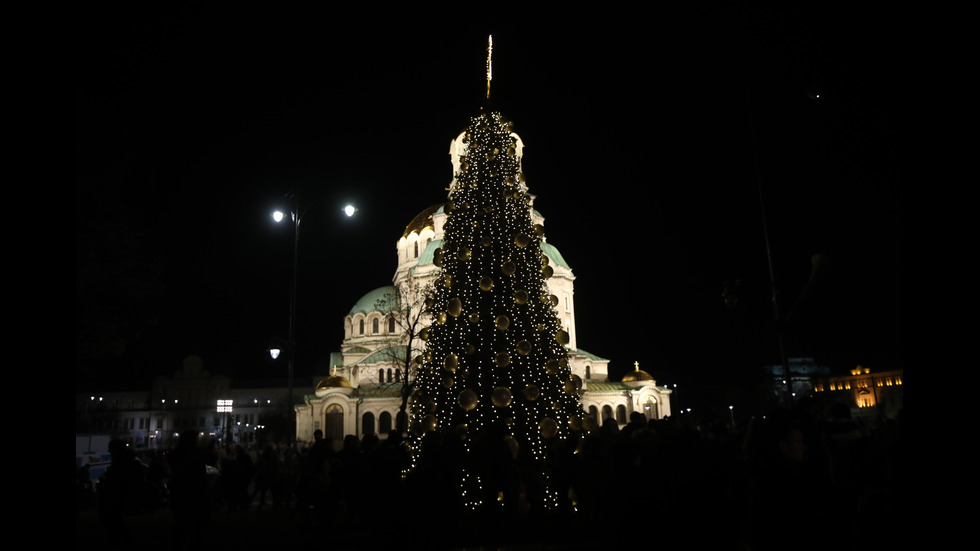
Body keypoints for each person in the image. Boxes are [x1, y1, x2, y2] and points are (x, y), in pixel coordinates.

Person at [168, 430, 210, 551]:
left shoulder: (177, 454)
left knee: (180, 525)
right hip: (195, 493)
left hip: (181, 493)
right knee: (195, 528)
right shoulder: (198, 453)